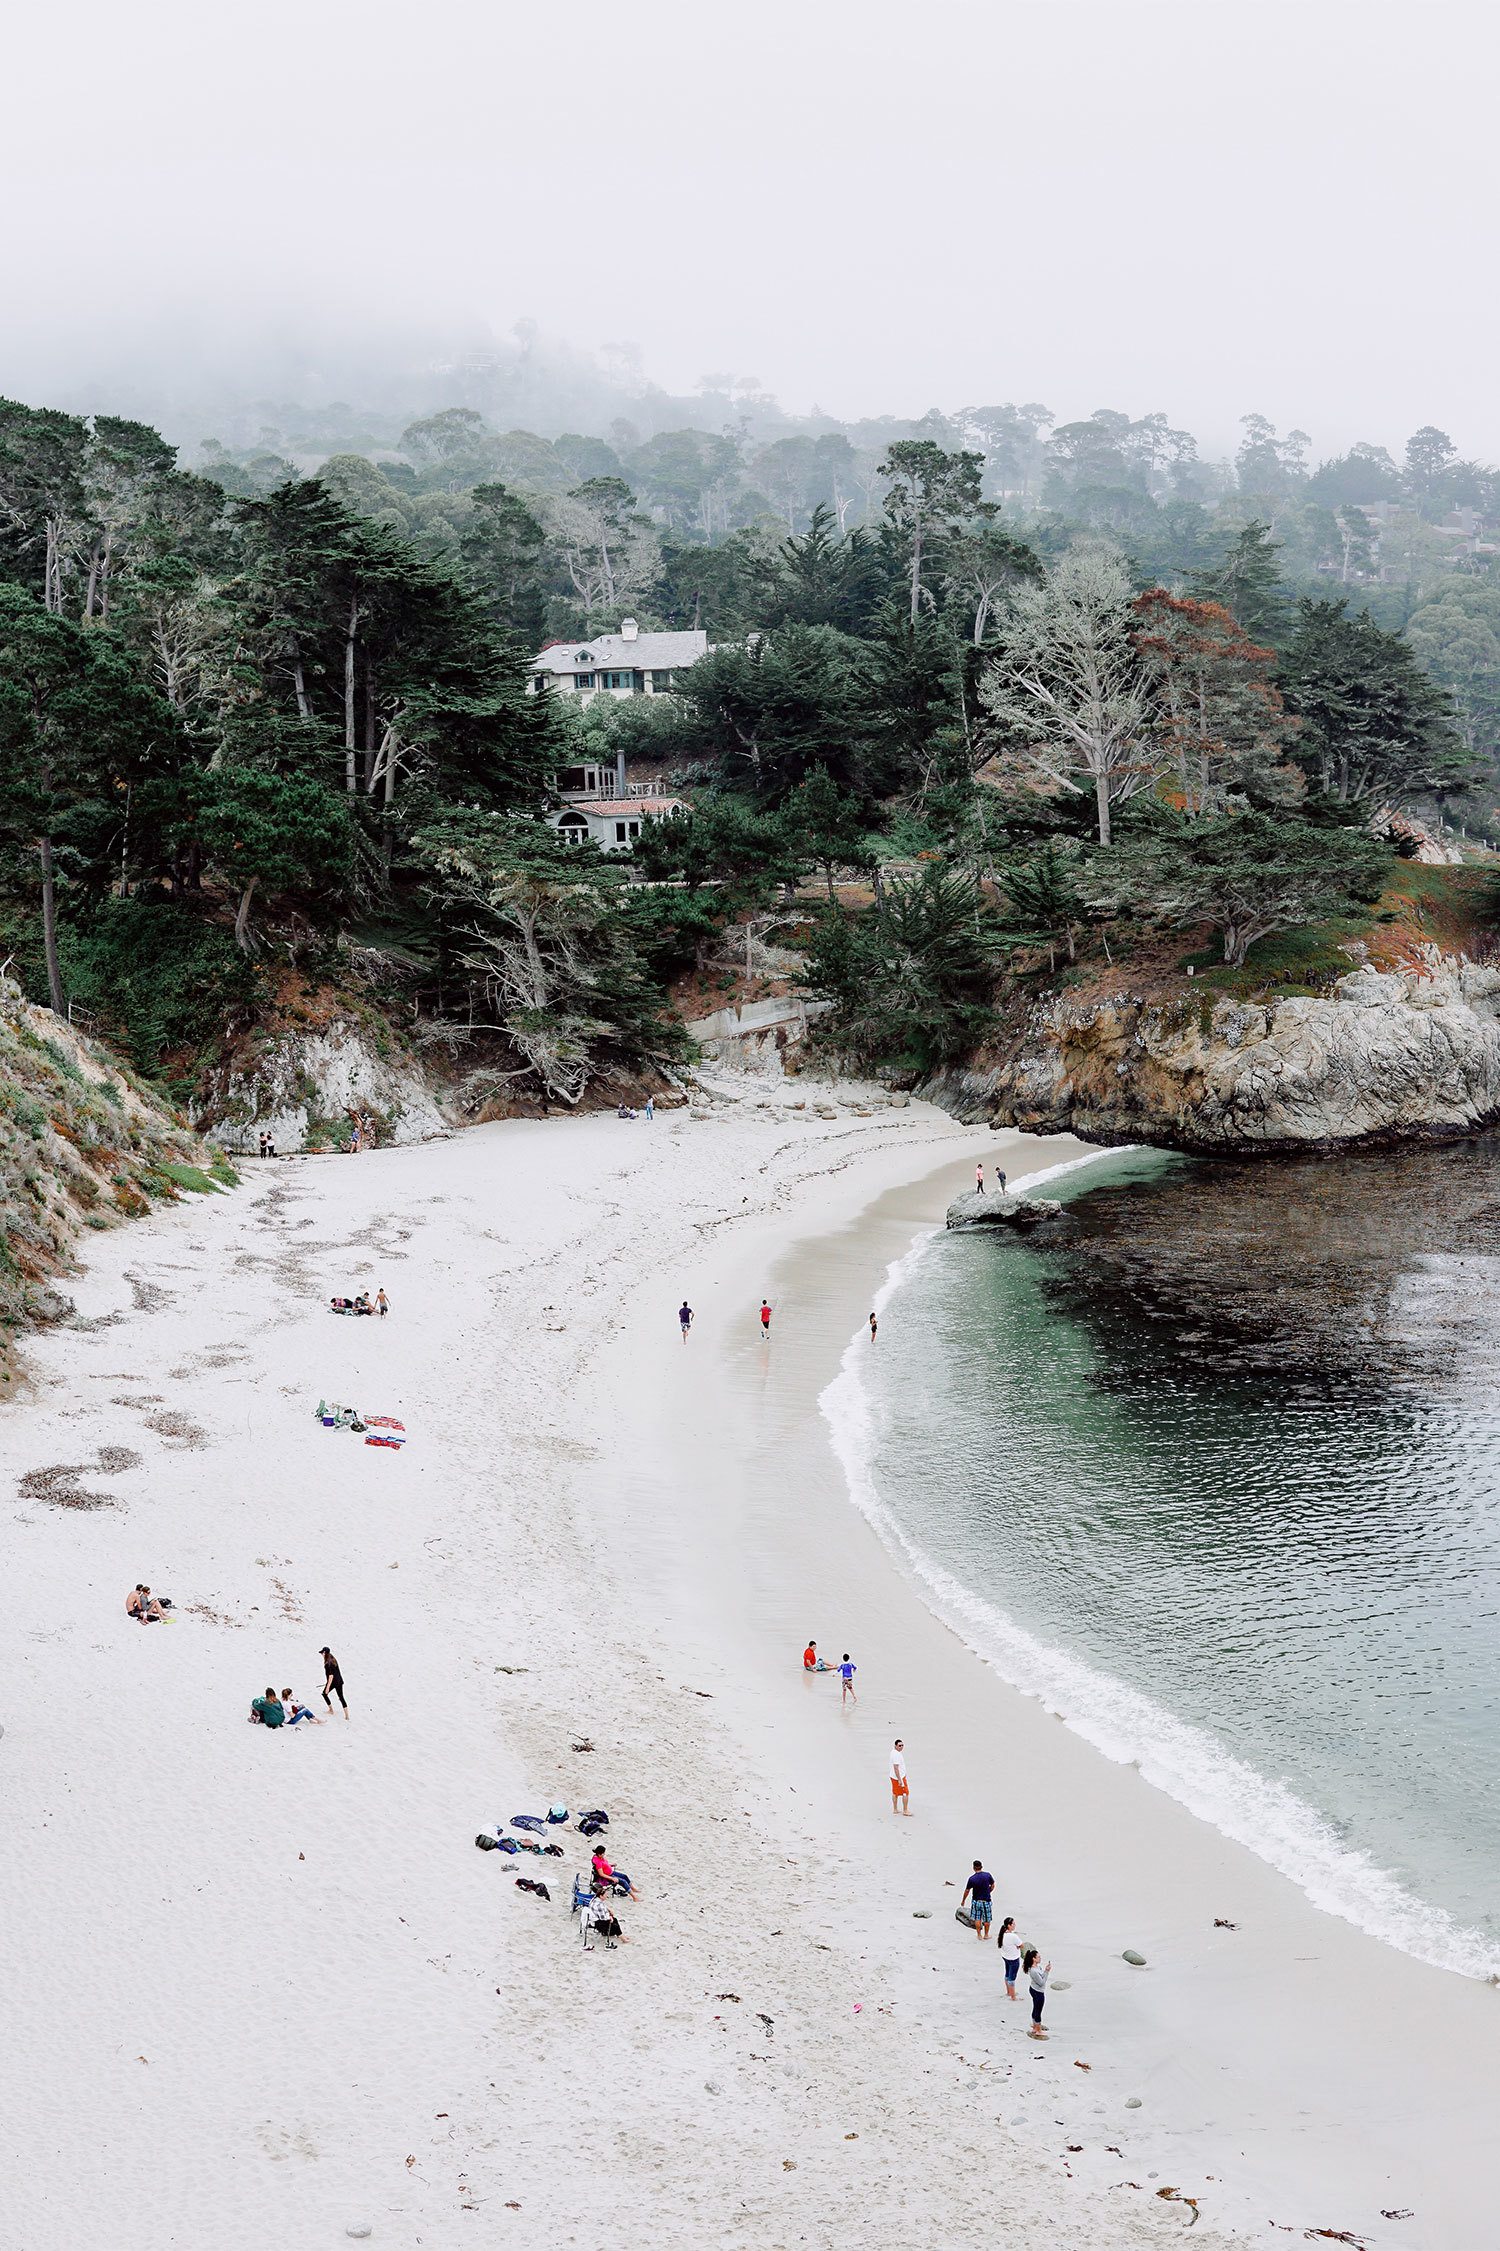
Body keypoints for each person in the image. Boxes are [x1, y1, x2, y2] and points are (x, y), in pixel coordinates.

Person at [962, 1860, 994, 1940]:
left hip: (976, 1901)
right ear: (981, 1866)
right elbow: (993, 1885)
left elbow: (967, 1890)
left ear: (973, 1868)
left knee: (977, 1918)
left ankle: (979, 1935)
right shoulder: (987, 1875)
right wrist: (988, 1891)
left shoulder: (972, 1879)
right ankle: (986, 1935)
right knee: (987, 1919)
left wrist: (963, 1900)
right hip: (986, 1900)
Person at [1024, 1947, 1051, 2037]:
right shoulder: (1033, 1971)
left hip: (1034, 1989)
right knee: (1038, 2010)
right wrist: (1047, 1972)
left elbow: (1041, 1976)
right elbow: (1041, 1982)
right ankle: (1038, 2030)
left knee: (1036, 2008)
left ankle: (1035, 2027)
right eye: (1038, 1957)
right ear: (1034, 1959)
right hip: (1037, 1991)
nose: (1040, 1958)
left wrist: (1045, 1971)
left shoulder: (1037, 1967)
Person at [998, 1916, 1021, 1998]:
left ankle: (1009, 1992)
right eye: (1013, 1924)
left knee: (1007, 1974)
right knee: (1012, 1977)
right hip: (1013, 1958)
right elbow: (1021, 1945)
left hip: (1005, 1957)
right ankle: (1013, 1996)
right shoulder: (1013, 1936)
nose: (1015, 1925)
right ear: (1009, 1925)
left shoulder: (1002, 1934)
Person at [320, 1646, 347, 1716]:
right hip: (339, 1681)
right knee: (341, 1697)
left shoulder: (327, 1664)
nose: (321, 1654)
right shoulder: (333, 1658)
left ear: (325, 1653)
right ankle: (347, 1715)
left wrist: (328, 1687)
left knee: (324, 1694)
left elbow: (331, 1676)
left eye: (322, 1653)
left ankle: (331, 1710)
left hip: (333, 1682)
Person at [890, 1739, 910, 1814]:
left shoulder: (893, 1752)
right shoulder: (896, 1755)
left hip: (893, 1776)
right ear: (895, 1746)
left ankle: (895, 1809)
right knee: (905, 1793)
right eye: (899, 1746)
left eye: (902, 1745)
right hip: (899, 1777)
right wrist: (900, 1779)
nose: (901, 1747)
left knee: (895, 1792)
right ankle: (905, 1810)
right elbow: (896, 1768)